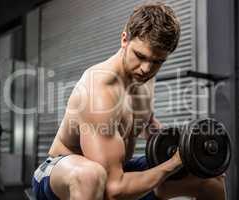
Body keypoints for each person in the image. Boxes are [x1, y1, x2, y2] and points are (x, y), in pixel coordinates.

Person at [32, 2, 226, 200]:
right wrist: (174, 162)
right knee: (90, 177)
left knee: (210, 178)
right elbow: (113, 190)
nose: (146, 68)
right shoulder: (99, 91)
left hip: (116, 173)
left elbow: (146, 123)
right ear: (125, 39)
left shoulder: (144, 76)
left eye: (157, 61)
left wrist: (185, 150)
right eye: (140, 56)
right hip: (61, 174)